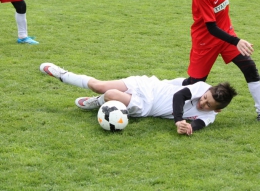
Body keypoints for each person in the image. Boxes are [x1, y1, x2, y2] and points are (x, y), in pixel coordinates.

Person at [156, 0, 260, 120]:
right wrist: (236, 41)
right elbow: (211, 28)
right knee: (194, 84)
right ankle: (162, 87)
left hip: (226, 34)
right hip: (205, 39)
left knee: (249, 67)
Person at [39, 62, 237, 135]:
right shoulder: (202, 87)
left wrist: (187, 127)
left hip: (146, 106)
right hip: (147, 85)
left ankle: (99, 102)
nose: (202, 103)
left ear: (217, 110)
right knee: (98, 85)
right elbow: (180, 95)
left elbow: (198, 126)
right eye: (204, 98)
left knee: (109, 95)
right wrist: (179, 120)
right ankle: (63, 74)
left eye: (208, 104)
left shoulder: (210, 117)